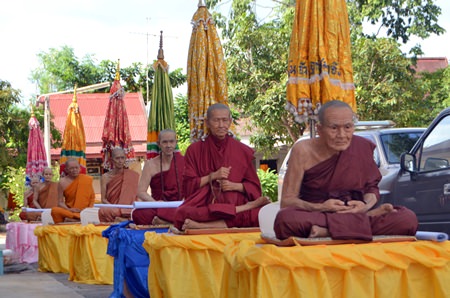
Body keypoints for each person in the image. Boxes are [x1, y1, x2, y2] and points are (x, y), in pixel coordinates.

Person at [274, 100, 418, 240]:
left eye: (347, 127)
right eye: (334, 128)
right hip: (318, 215)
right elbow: (287, 201)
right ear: (319, 129)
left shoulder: (361, 147)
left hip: (355, 214)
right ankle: (362, 223)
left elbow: (371, 190)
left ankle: (328, 232)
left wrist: (364, 206)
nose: (342, 135)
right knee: (285, 220)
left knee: (407, 218)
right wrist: (320, 207)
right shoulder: (303, 150)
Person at [173, 103, 270, 231]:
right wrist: (212, 176)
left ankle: (203, 226)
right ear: (207, 122)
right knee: (182, 213)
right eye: (216, 120)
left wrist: (235, 186)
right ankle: (238, 212)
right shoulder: (195, 150)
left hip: (234, 200)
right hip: (206, 203)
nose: (221, 125)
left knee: (262, 215)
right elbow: (188, 187)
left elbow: (255, 188)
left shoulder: (241, 150)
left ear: (230, 122)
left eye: (224, 120)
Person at [132, 129, 185, 225]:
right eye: (164, 142)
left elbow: (192, 186)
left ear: (176, 143)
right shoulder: (150, 165)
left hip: (178, 205)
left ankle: (164, 221)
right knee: (138, 214)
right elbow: (141, 192)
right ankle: (174, 221)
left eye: (171, 142)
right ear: (159, 144)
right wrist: (156, 203)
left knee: (192, 211)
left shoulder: (184, 161)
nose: (168, 145)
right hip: (158, 205)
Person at [97, 148, 139, 222]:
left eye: (122, 158)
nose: (120, 161)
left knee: (140, 211)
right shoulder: (105, 177)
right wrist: (115, 208)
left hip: (128, 209)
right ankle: (125, 220)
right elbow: (103, 200)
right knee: (103, 211)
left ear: (125, 159)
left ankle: (123, 219)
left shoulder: (132, 175)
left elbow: (136, 196)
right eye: (117, 158)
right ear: (112, 160)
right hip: (113, 209)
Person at [51, 158, 95, 224]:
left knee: (95, 212)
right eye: (71, 168)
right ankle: (76, 218)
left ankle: (76, 218)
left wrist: (87, 210)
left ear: (80, 168)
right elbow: (60, 202)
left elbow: (92, 197)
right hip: (69, 211)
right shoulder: (62, 182)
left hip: (84, 211)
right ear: (66, 170)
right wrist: (69, 209)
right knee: (55, 210)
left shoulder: (86, 179)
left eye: (76, 168)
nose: (74, 170)